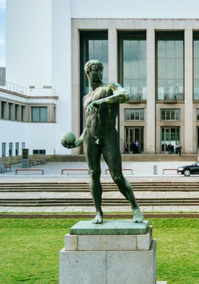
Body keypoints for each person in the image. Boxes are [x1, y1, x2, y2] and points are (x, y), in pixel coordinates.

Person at [61, 60, 143, 224]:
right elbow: (88, 122)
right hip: (90, 137)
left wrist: (102, 101)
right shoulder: (86, 98)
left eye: (100, 70)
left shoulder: (110, 87)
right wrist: (78, 142)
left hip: (108, 135)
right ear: (88, 73)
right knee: (93, 174)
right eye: (95, 70)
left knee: (117, 176)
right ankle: (98, 212)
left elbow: (125, 95)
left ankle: (135, 207)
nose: (99, 73)